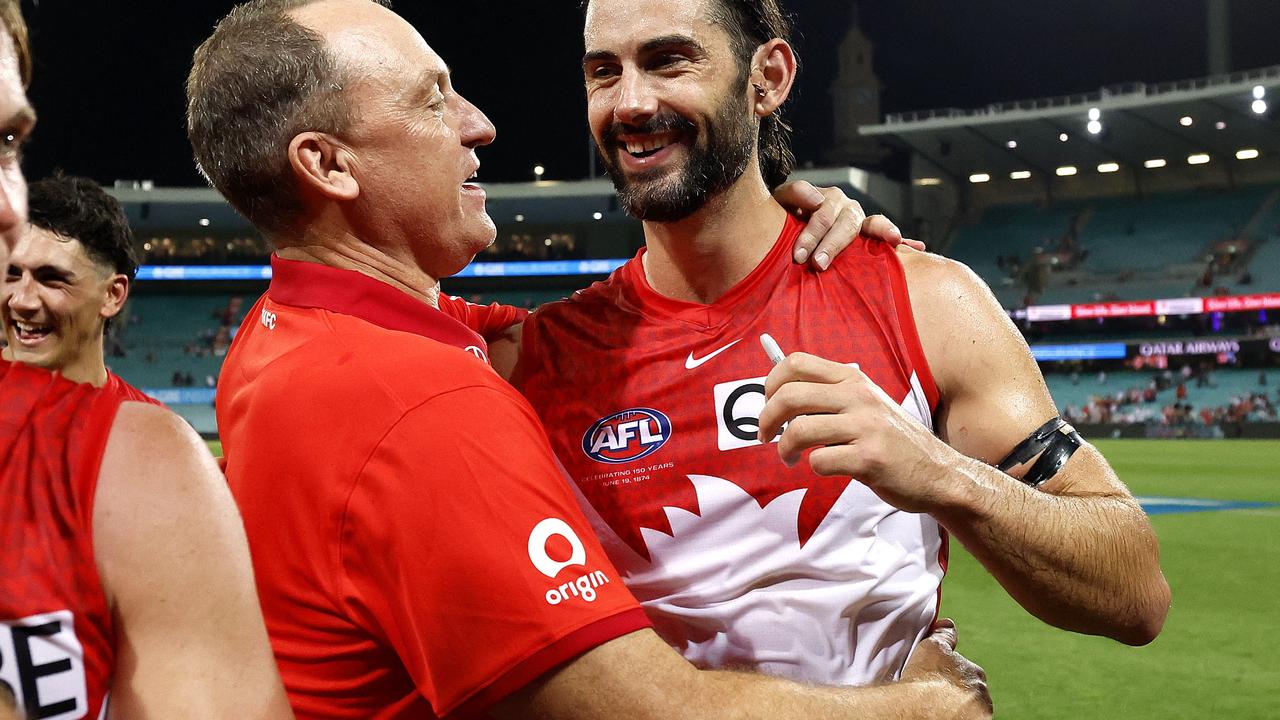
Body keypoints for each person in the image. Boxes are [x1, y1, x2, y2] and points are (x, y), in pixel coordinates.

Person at [187, 1, 990, 718]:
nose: (479, 124)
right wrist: (927, 706)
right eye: (433, 100)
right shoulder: (422, 404)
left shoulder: (283, 336)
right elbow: (646, 711)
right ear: (328, 165)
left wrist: (759, 212)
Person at [507, 0, 1169, 688]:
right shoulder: (536, 356)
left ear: (767, 78)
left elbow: (1137, 595)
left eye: (669, 61)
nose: (632, 102)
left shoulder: (923, 299)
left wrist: (942, 476)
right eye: (603, 72)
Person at [0, 3, 294, 718]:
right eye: (17, 276)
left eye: (7, 142)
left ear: (113, 296)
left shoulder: (144, 462)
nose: (22, 299)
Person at [2, 173, 156, 402]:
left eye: (51, 278)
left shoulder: (151, 432)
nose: (20, 301)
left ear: (112, 295)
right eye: (10, 275)